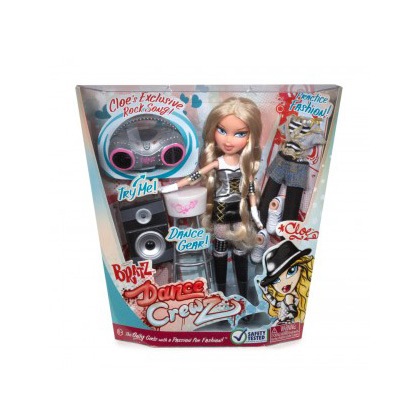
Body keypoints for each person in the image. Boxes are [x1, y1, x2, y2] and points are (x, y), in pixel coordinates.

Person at [161, 97, 263, 298]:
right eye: (222, 130)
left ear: (250, 137)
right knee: (220, 248)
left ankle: (244, 294)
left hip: (240, 210)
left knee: (241, 249)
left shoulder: (246, 165)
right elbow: (195, 176)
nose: (228, 141)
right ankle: (221, 293)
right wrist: (173, 186)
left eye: (240, 133)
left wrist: (255, 214)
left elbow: (251, 190)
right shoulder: (217, 163)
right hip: (221, 209)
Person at [259, 240, 313, 324]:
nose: (284, 282)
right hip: (285, 324)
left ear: (301, 267)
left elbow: (293, 312)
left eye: (291, 271)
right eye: (276, 280)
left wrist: (286, 318)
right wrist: (266, 292)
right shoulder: (289, 297)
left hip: (287, 323)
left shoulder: (290, 296)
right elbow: (276, 304)